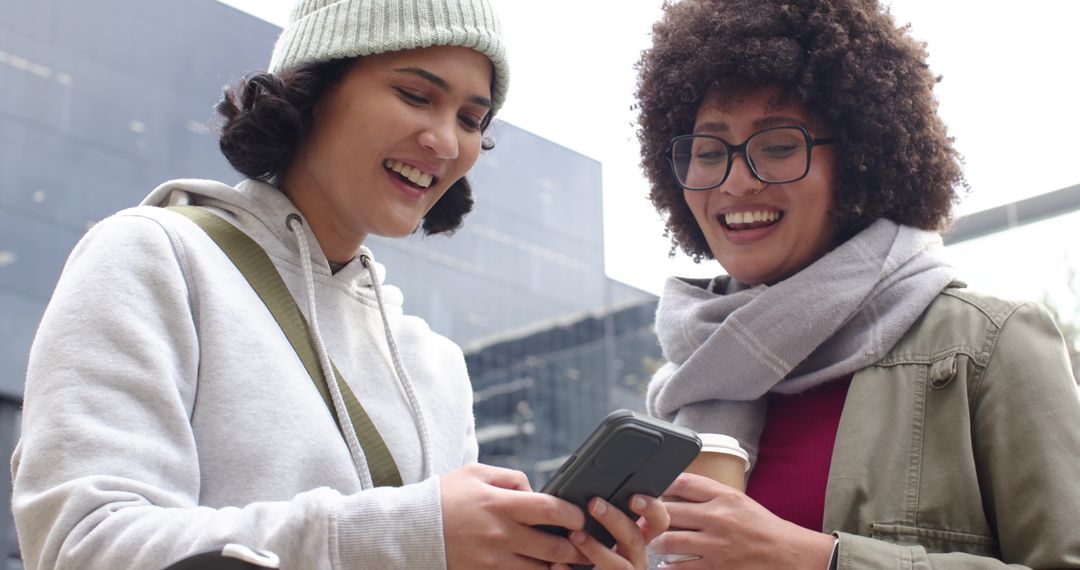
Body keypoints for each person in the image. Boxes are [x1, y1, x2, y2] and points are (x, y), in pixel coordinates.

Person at [10, 0, 667, 568]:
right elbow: (80, 546)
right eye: (416, 95)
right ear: (314, 88)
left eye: (471, 119)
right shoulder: (153, 258)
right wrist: (411, 532)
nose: (444, 141)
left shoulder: (434, 366)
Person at [635, 0, 1080, 568]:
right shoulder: (692, 384)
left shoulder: (988, 346)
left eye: (778, 146)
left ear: (861, 159)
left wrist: (817, 559)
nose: (737, 181)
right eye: (707, 152)